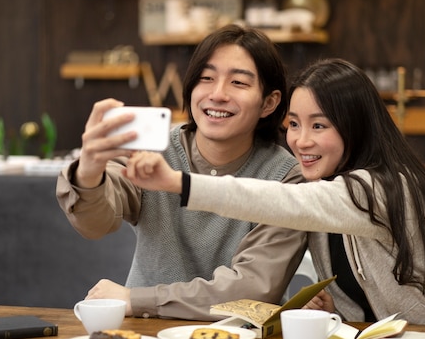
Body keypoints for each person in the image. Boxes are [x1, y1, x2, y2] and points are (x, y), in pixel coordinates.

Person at [124, 58, 425, 326]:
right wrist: (338, 307)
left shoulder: (381, 186)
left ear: (355, 127)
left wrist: (177, 183)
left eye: (319, 125)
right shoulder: (321, 184)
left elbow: (277, 201)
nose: (301, 141)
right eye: (294, 125)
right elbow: (373, 301)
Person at [56, 24, 308, 320]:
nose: (217, 94)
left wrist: (137, 300)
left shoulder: (286, 177)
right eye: (206, 78)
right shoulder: (152, 149)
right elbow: (94, 224)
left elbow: (252, 290)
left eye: (238, 83)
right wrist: (88, 172)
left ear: (269, 102)